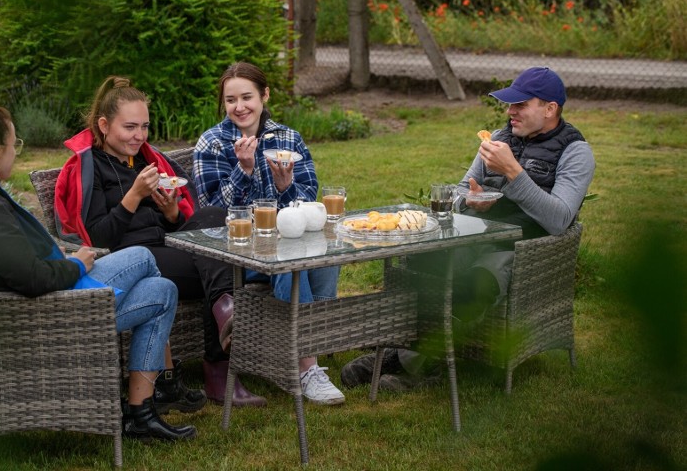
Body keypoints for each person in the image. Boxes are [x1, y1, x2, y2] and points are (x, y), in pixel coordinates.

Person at [0, 100, 196, 442]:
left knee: (162, 290)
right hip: (39, 314)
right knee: (143, 259)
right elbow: (32, 279)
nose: (17, 151)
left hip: (43, 300)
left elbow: (11, 259)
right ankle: (155, 395)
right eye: (16, 144)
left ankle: (141, 413)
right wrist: (75, 263)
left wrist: (51, 253)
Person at [341, 66, 596, 390]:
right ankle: (404, 347)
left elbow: (560, 219)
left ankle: (412, 365)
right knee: (423, 263)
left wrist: (514, 174)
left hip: (524, 250)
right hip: (475, 236)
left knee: (476, 283)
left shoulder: (575, 152)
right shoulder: (499, 138)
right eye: (509, 104)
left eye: (520, 105)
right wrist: (470, 200)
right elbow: (462, 188)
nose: (510, 112)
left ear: (550, 109)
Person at [54, 77, 267, 408]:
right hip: (132, 260)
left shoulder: (145, 160)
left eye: (145, 127)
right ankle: (221, 356)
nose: (139, 136)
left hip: (168, 248)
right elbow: (96, 237)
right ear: (104, 125)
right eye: (130, 127)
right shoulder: (91, 167)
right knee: (221, 266)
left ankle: (225, 317)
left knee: (211, 215)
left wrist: (171, 213)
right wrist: (133, 196)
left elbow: (176, 224)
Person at [194, 61, 346, 406]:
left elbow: (305, 204)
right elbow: (213, 214)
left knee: (323, 252)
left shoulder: (288, 138)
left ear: (264, 96)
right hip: (237, 251)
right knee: (292, 260)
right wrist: (244, 172)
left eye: (247, 97)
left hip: (288, 240)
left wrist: (285, 185)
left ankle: (314, 345)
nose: (239, 107)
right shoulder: (213, 143)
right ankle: (306, 368)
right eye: (231, 100)